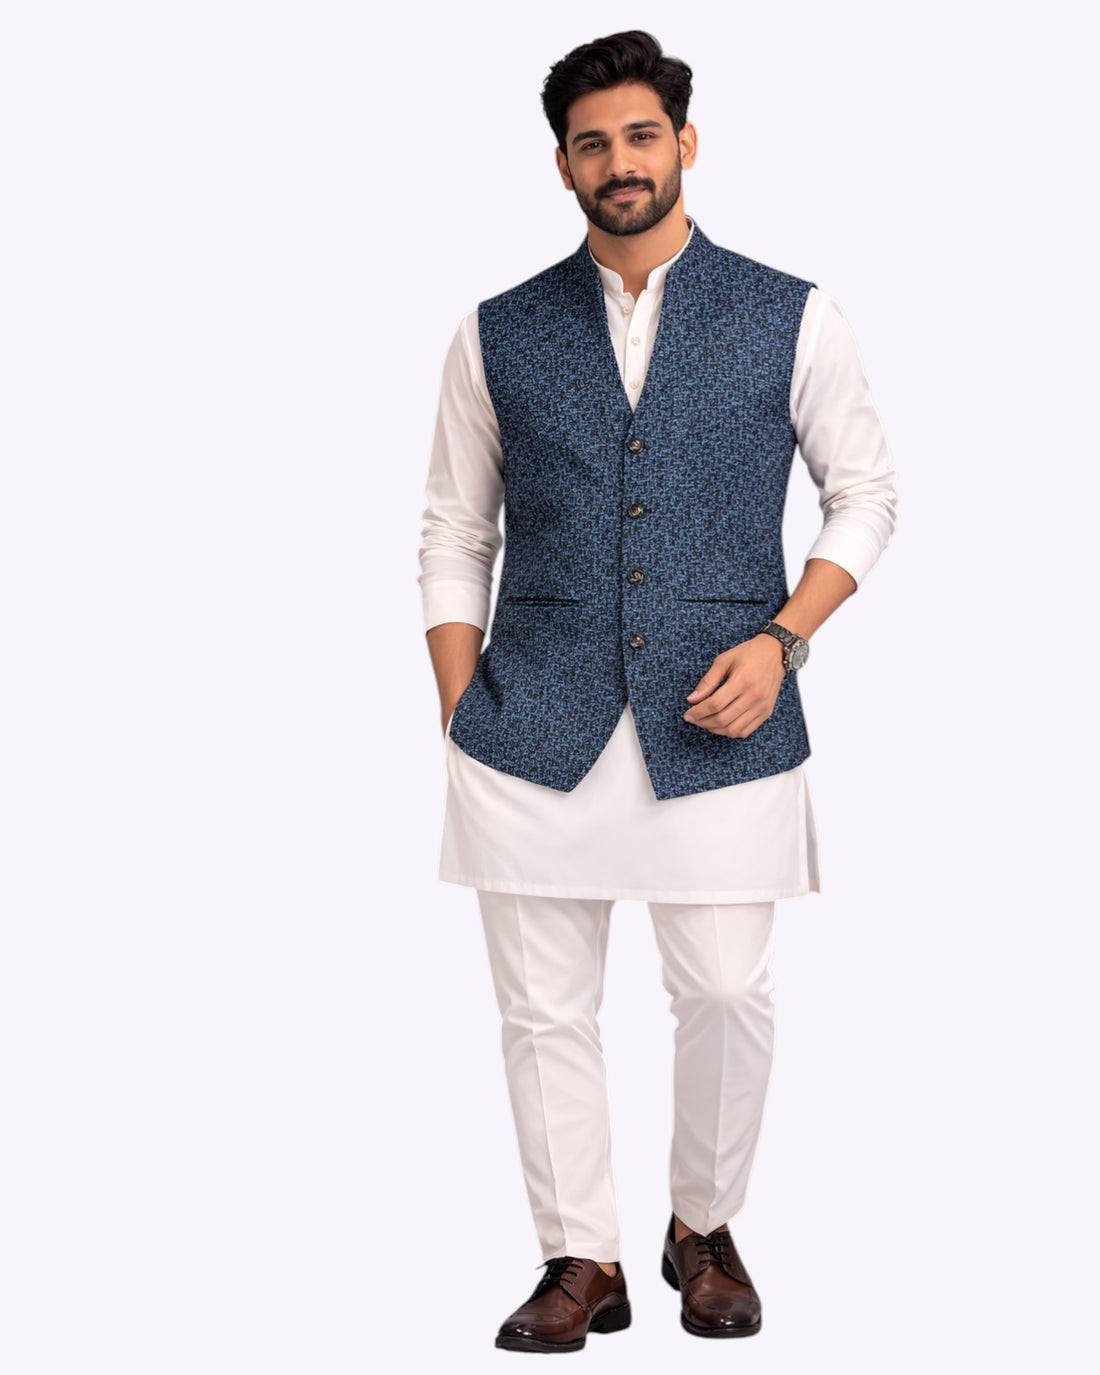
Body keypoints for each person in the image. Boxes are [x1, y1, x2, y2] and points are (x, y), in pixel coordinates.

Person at [418, 29, 898, 1353]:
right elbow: (454, 528)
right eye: (593, 144)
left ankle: (705, 1226)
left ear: (685, 144)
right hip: (530, 720)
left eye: (640, 136)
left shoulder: (792, 312)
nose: (618, 162)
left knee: (730, 993)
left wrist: (785, 639)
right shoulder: (496, 330)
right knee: (541, 1011)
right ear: (562, 165)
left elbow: (866, 496)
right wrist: (459, 701)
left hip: (724, 719)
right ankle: (582, 1257)